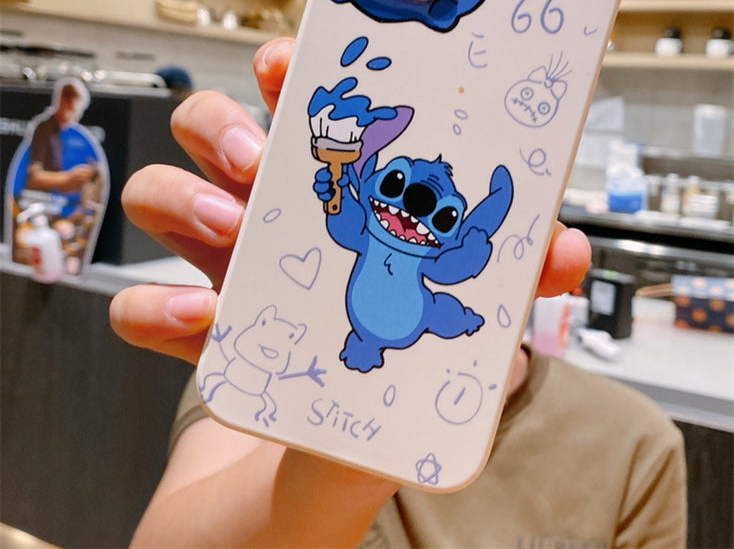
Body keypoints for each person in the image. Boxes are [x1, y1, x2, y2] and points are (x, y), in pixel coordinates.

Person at [110, 38, 686, 548]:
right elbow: (350, 217)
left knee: (442, 312)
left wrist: (486, 216)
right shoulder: (275, 351)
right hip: (345, 340)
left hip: (421, 311)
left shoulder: (634, 448)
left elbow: (463, 254)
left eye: (441, 210)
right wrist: (341, 466)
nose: (414, 206)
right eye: (398, 184)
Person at [25, 77, 96, 193]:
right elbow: (34, 177)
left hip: (50, 199)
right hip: (34, 199)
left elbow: (58, 184)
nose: (75, 116)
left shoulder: (59, 135)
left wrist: (78, 179)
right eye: (72, 109)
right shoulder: (44, 129)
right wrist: (69, 177)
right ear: (62, 101)